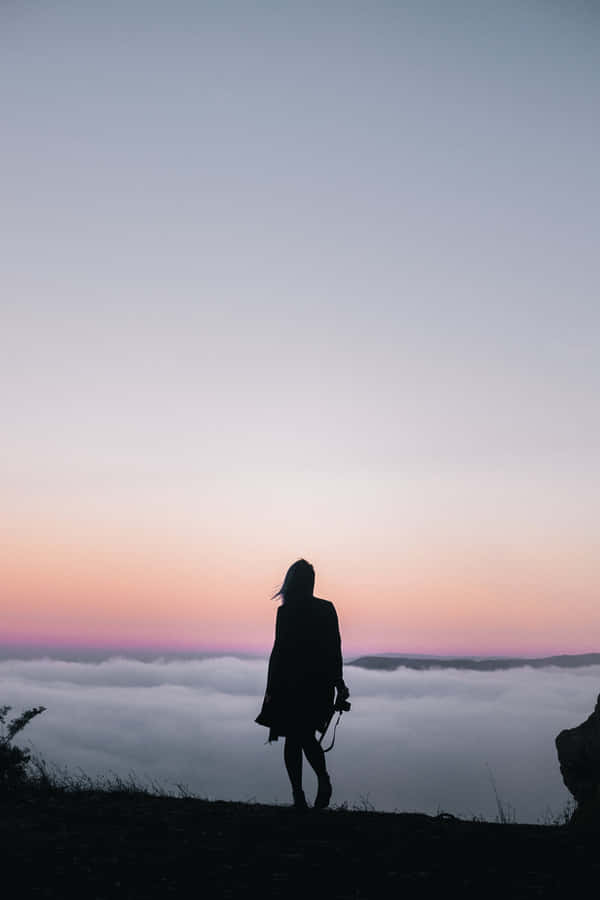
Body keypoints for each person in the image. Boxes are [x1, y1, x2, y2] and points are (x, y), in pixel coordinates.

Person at [255, 559, 350, 810]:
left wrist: (270, 691)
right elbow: (334, 649)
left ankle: (300, 795)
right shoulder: (326, 608)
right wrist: (339, 683)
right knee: (304, 735)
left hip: (289, 684)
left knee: (295, 738)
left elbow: (279, 653)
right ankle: (320, 782)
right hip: (318, 685)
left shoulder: (285, 612)